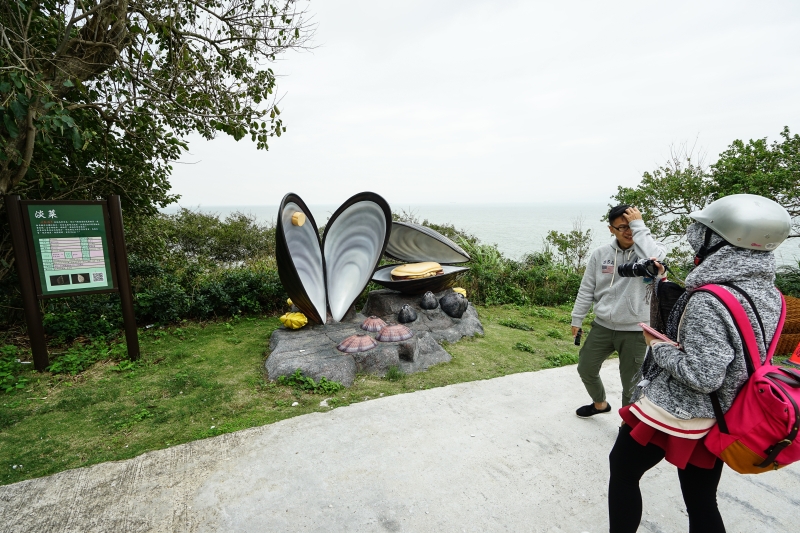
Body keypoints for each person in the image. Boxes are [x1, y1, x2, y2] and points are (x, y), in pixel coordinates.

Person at [607, 194, 792, 532]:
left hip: (678, 410)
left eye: (704, 229)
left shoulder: (709, 298)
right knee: (701, 500)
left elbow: (703, 375)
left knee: (622, 469)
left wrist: (658, 347)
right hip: (724, 412)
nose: (696, 233)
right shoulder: (771, 294)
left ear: (720, 238)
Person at [571, 205, 666, 417]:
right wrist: (577, 319)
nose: (628, 231)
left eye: (632, 225)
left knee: (631, 383)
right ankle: (600, 404)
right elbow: (587, 288)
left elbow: (657, 259)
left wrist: (638, 225)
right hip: (603, 325)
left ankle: (627, 423)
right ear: (611, 229)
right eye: (622, 227)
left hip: (636, 329)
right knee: (586, 368)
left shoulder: (650, 249)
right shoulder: (600, 254)